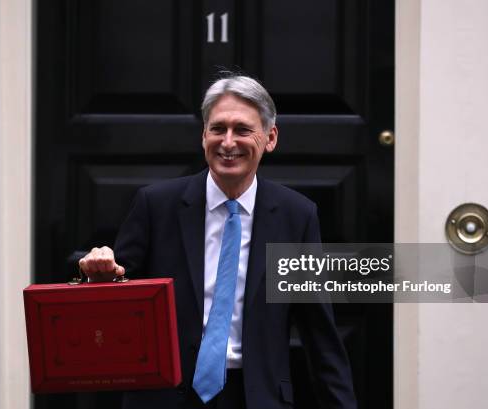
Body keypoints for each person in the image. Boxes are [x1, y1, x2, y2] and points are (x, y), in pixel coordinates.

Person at [79, 75, 356, 409]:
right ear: (203, 135)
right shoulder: (156, 206)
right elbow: (115, 311)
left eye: (242, 130)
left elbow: (319, 334)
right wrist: (98, 279)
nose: (227, 142)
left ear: (270, 138)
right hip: (166, 397)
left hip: (255, 397)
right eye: (217, 128)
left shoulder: (295, 217)